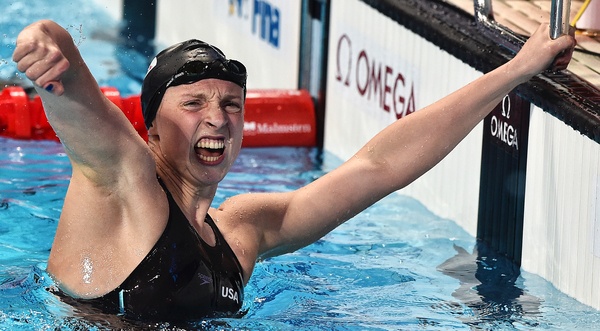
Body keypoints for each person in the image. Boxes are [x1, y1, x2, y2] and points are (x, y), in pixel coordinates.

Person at [12, 19, 575, 321]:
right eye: (193, 104)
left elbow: (377, 168)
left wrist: (516, 71)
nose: (218, 119)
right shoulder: (123, 182)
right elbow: (74, 92)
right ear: (151, 127)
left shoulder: (242, 231)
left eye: (232, 104)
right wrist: (46, 43)